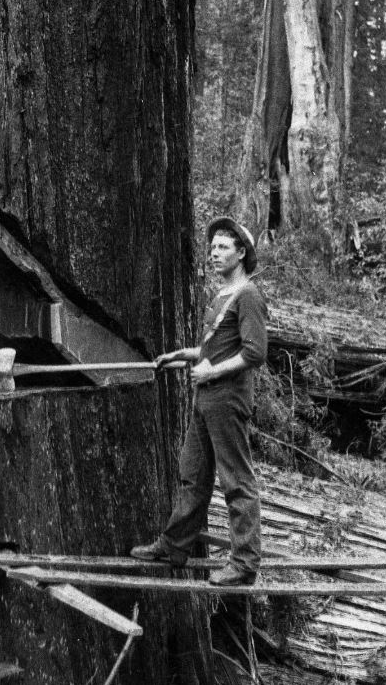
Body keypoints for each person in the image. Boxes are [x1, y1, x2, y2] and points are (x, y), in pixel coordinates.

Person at [131, 217, 268, 586]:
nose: (214, 253)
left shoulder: (249, 295)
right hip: (205, 397)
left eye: (223, 247)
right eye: (212, 247)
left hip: (227, 400)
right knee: (193, 474)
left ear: (242, 253)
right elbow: (215, 349)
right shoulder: (222, 295)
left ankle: (244, 564)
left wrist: (211, 372)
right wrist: (184, 355)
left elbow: (254, 353)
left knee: (236, 481)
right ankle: (175, 545)